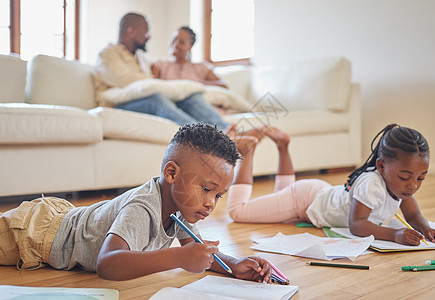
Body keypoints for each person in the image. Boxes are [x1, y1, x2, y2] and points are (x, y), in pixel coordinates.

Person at [0, 123, 271, 282]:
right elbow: (107, 263)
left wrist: (234, 265)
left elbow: (197, 251)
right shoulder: (143, 208)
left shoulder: (183, 207)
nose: (211, 203)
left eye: (218, 195)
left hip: (68, 219)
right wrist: (178, 257)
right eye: (206, 189)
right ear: (171, 173)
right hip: (36, 234)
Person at [227, 124, 435, 246]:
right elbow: (357, 225)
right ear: (382, 166)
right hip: (304, 200)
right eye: (406, 177)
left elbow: (414, 216)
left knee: (278, 198)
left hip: (317, 194)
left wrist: (427, 230)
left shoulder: (401, 187)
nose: (413, 185)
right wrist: (394, 235)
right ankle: (246, 152)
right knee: (238, 212)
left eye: (421, 178)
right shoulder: (372, 184)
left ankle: (283, 146)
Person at [93, 13, 231, 132]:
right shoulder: (108, 54)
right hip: (118, 104)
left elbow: (150, 81)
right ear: (131, 31)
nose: (149, 36)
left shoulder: (141, 58)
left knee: (188, 97)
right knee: (156, 100)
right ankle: (207, 138)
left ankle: (226, 131)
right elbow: (125, 80)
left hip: (140, 100)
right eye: (146, 32)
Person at [151, 26, 227, 88]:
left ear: (190, 47)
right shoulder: (160, 64)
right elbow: (152, 86)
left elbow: (223, 86)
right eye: (174, 39)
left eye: (182, 42)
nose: (176, 45)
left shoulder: (201, 67)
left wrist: (198, 84)